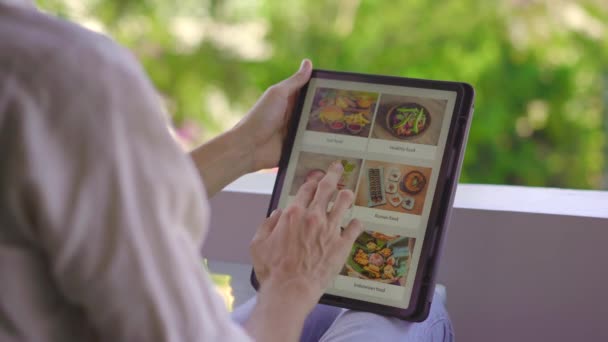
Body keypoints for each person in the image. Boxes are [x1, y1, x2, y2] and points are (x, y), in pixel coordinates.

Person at [0, 1, 453, 341]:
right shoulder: (60, 74)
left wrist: (244, 147)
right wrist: (292, 282)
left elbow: (93, 207)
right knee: (414, 311)